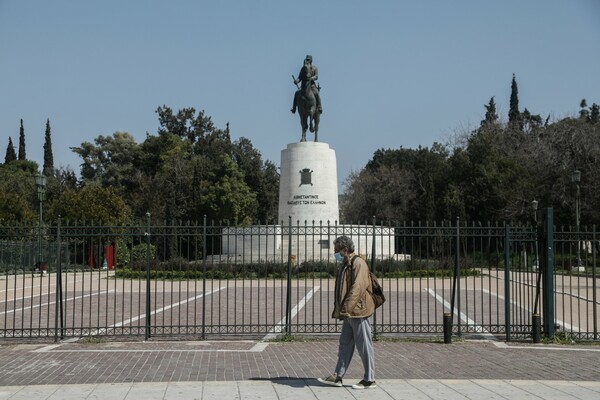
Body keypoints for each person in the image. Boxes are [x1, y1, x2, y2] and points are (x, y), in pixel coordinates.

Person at [317, 235, 377, 390]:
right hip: (349, 313)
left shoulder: (358, 263)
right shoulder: (345, 264)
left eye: (337, 250)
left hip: (358, 312)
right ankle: (337, 376)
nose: (335, 253)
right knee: (344, 345)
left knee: (364, 345)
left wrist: (346, 309)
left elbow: (357, 288)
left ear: (345, 250)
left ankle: (369, 379)